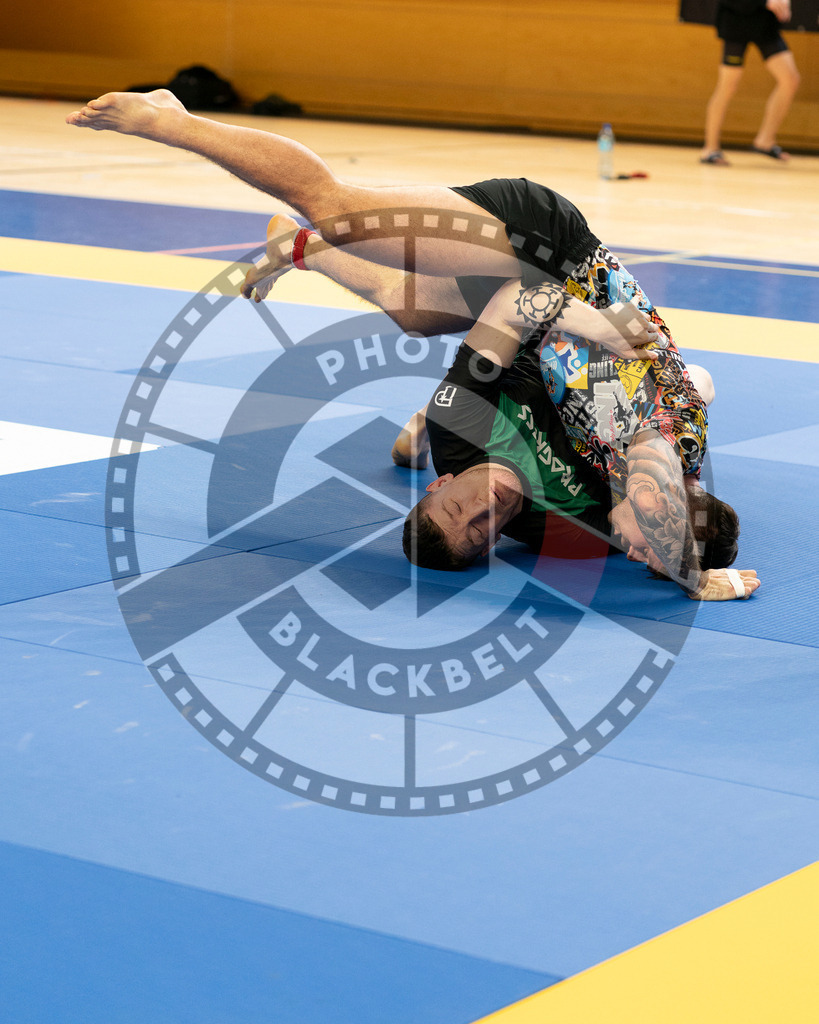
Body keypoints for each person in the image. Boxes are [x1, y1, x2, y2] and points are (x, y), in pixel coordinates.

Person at [64, 90, 760, 600]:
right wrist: (690, 575)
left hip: (532, 307)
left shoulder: (605, 484)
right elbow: (657, 480)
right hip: (549, 248)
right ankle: (171, 120)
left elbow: (689, 395)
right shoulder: (648, 449)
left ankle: (301, 248)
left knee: (412, 313)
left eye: (640, 554)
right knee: (337, 205)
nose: (634, 547)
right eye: (646, 543)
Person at [700, 0, 801, 165]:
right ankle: (710, 148)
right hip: (737, 24)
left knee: (790, 79)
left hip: (764, 25)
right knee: (728, 86)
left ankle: (765, 140)